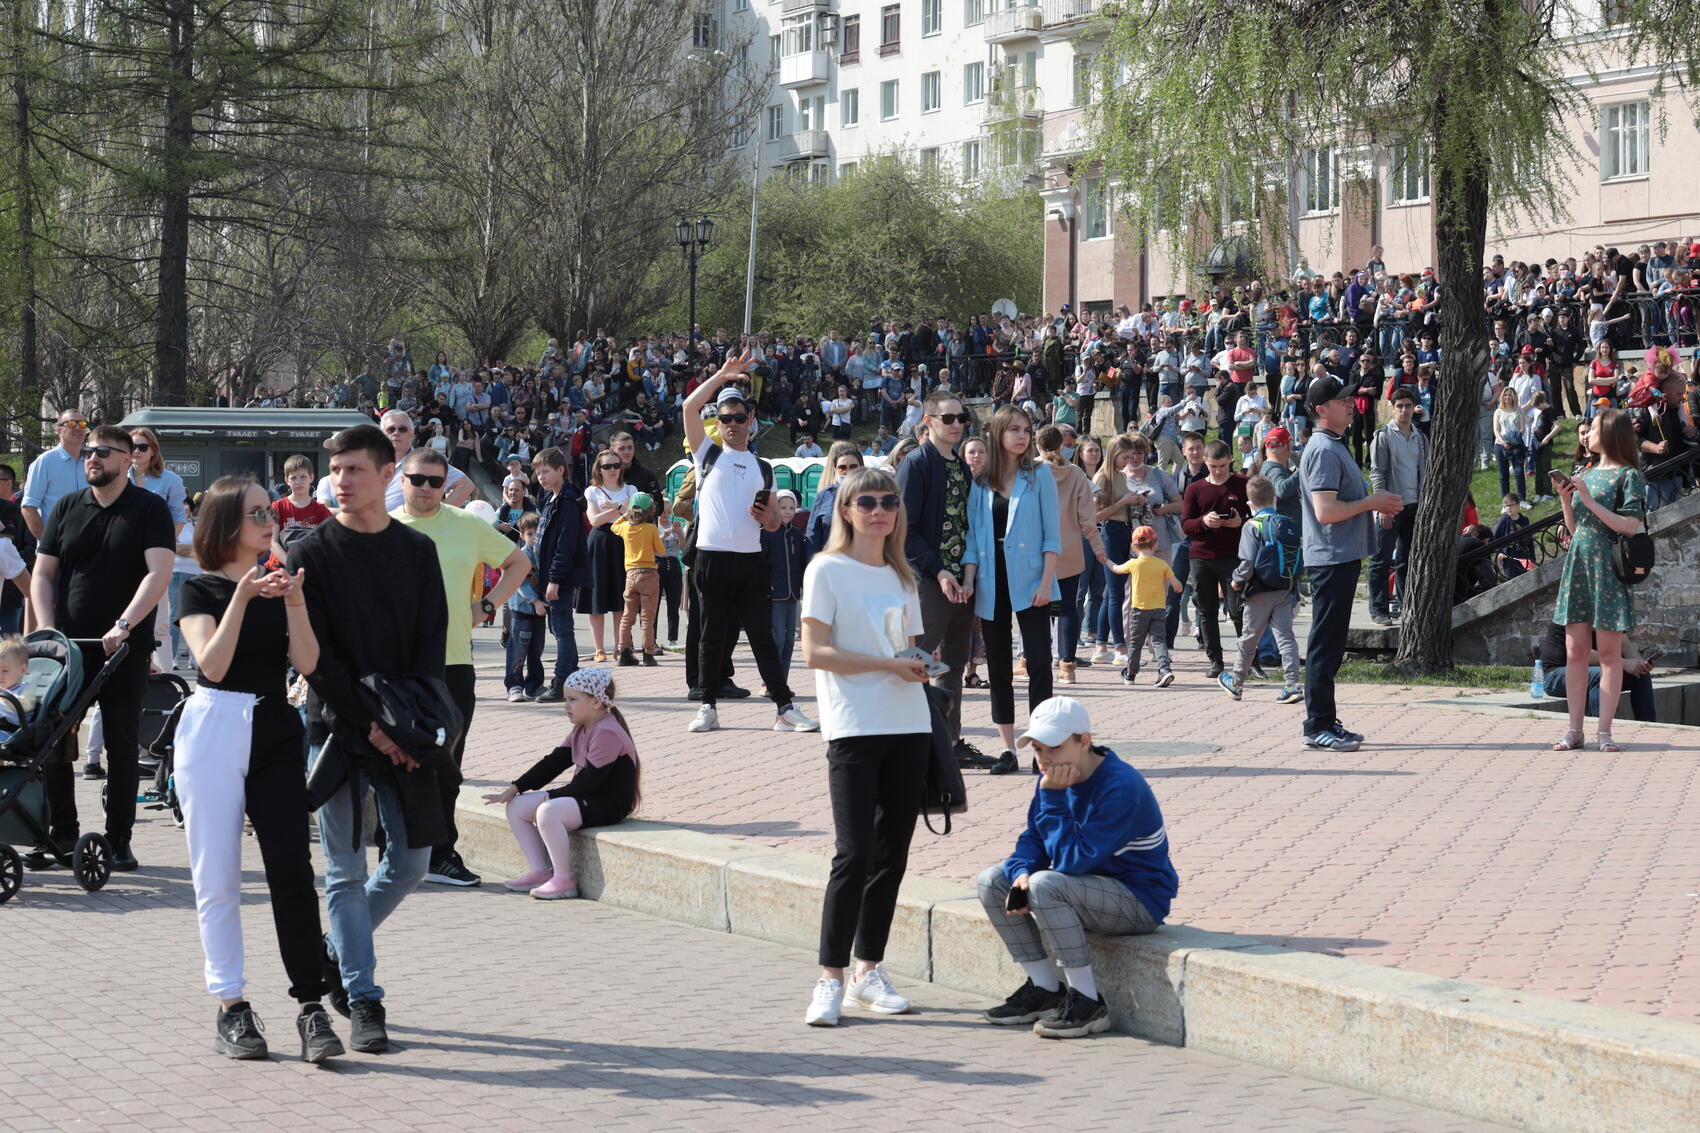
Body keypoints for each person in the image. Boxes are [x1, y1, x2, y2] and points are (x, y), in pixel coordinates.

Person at [288, 424, 450, 1055]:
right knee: (345, 873)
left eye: (354, 469)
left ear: (388, 474)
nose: (342, 480)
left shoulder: (416, 551)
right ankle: (363, 997)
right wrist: (373, 725)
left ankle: (336, 947)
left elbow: (430, 646)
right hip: (336, 730)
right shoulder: (310, 552)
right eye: (336, 469)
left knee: (411, 863)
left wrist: (407, 726)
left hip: (404, 732)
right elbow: (316, 661)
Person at [172, 476, 343, 1063]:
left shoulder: (279, 581)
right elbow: (213, 666)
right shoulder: (199, 590)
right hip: (213, 728)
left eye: (268, 511)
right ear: (225, 523)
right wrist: (242, 599)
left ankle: (311, 1005)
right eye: (255, 514)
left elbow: (308, 662)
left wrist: (292, 601)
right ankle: (232, 1006)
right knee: (217, 876)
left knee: (292, 871)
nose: (269, 521)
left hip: (273, 726)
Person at [798, 466, 932, 1027]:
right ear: (847, 510)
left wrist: (920, 666)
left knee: (891, 855)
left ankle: (867, 971)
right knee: (852, 854)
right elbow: (815, 653)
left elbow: (909, 650)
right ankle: (829, 978)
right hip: (853, 724)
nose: (879, 511)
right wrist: (888, 665)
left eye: (889, 502)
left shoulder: (903, 577)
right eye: (867, 502)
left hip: (909, 723)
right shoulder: (826, 569)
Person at [976, 696, 1177, 1039]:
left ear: (1084, 740)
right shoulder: (1054, 776)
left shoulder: (1120, 786)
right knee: (992, 880)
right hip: (1086, 889)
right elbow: (1034, 838)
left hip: (1139, 901)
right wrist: (1021, 872)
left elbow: (1073, 861)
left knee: (1045, 884)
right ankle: (1044, 988)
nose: (1044, 758)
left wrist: (1053, 798)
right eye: (1037, 749)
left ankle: (1088, 1001)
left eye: (1053, 747)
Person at [28, 426, 175, 873]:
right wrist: (47, 628)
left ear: (128, 459)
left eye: (103, 451)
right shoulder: (68, 506)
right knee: (54, 739)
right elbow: (43, 574)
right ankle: (62, 832)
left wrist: (124, 625)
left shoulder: (148, 508)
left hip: (123, 647)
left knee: (121, 742)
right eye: (89, 450)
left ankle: (118, 839)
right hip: (70, 649)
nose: (92, 457)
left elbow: (159, 573)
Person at [393, 446, 531, 888]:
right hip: (397, 666)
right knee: (399, 761)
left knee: (448, 765)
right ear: (402, 481)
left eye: (436, 481)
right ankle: (400, 848)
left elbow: (519, 562)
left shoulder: (467, 524)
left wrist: (487, 606)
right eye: (418, 479)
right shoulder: (382, 529)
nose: (426, 488)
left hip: (453, 661)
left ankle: (440, 853)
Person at [682, 353, 818, 734]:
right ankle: (707, 706)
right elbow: (689, 407)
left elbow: (774, 522)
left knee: (763, 637)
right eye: (725, 419)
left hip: (751, 560)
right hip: (712, 559)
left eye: (739, 419)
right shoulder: (706, 454)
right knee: (711, 635)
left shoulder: (763, 468)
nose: (732, 425)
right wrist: (721, 376)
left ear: (750, 421)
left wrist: (767, 519)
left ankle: (784, 708)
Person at [1298, 375, 1405, 752]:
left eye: (1350, 398)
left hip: (1339, 557)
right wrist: (1372, 502)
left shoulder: (1332, 445)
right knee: (1324, 645)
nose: (1350, 404)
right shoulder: (1323, 450)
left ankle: (1326, 719)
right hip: (1330, 559)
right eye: (1342, 399)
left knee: (1330, 644)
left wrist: (1373, 505)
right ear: (1321, 409)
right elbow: (1325, 511)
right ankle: (1317, 726)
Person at [962, 405, 1060, 777]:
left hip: (1033, 578)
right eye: (1014, 429)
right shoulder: (981, 481)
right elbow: (973, 539)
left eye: (1026, 430)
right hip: (991, 579)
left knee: (1040, 663)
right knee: (999, 667)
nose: (1022, 436)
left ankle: (1041, 746)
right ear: (999, 433)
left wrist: (1047, 582)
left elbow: (1052, 535)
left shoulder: (1040, 475)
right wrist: (969, 580)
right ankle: (1007, 749)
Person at [484, 668, 641, 899]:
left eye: (572, 700)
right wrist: (516, 788)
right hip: (588, 797)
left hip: (608, 805)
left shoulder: (607, 732)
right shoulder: (582, 728)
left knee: (548, 811)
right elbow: (555, 762)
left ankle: (563, 880)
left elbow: (587, 784)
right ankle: (540, 872)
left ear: (596, 702)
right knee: (516, 806)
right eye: (566, 699)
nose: (566, 706)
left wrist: (548, 798)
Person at [895, 390, 989, 768]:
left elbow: (969, 526)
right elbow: (905, 528)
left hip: (962, 581)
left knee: (951, 664)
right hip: (929, 578)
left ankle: (949, 744)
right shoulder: (916, 463)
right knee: (916, 659)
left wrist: (967, 574)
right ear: (928, 421)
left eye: (961, 418)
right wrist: (939, 570)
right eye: (947, 418)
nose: (956, 424)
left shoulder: (961, 466)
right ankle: (902, 741)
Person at [1550, 408, 1647, 753]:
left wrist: (1588, 500)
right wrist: (1567, 501)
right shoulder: (1584, 472)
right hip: (1579, 564)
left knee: (1608, 652)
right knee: (1575, 651)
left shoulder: (1629, 475)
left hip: (1608, 567)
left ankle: (1604, 732)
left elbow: (1631, 526)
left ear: (1608, 433)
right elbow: (1576, 530)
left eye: (1592, 428)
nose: (1587, 434)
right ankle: (1574, 730)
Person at [1220, 476, 1304, 703]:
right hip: (1284, 588)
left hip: (1259, 591)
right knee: (1285, 637)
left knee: (1249, 637)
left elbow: (1247, 562)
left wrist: (1237, 579)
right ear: (1275, 499)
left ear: (1249, 503)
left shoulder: (1252, 526)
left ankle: (1236, 682)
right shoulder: (1286, 522)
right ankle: (1292, 685)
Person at [1037, 426, 1107, 685]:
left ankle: (1032, 660)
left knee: (1036, 609)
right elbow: (1088, 519)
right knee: (1067, 607)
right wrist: (1098, 548)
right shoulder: (1076, 473)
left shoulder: (1030, 470)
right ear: (1062, 446)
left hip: (1036, 550)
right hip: (1069, 549)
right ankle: (1068, 665)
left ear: (1037, 446)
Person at [1179, 440, 1250, 678]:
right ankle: (1215, 661)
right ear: (1205, 462)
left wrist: (1240, 522)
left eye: (1222, 466)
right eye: (1213, 466)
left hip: (1233, 556)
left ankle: (1249, 660)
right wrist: (1204, 521)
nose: (1218, 471)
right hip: (1202, 556)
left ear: (1230, 460)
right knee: (1207, 610)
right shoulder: (1195, 489)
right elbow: (1185, 524)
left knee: (1238, 609)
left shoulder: (1243, 484)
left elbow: (1257, 517)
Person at [1366, 387, 1428, 625]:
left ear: (1414, 408)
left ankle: (1405, 606)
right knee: (1381, 560)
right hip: (1390, 507)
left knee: (1407, 560)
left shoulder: (1420, 438)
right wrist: (1382, 506)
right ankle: (1378, 609)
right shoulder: (1383, 436)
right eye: (1399, 406)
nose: (1404, 410)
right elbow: (1377, 472)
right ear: (1392, 408)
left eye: (1408, 406)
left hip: (1414, 506)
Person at [532, 447, 587, 702]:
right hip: (549, 576)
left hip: (560, 577)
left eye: (545, 471)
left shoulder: (566, 502)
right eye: (538, 473)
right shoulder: (551, 498)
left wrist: (554, 579)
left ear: (561, 470)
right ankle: (572, 677)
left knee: (562, 630)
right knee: (559, 629)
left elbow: (565, 545)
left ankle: (562, 681)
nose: (540, 477)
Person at [1538, 619, 1657, 723]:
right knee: (1600, 675)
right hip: (1555, 675)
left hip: (1589, 672)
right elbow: (1581, 653)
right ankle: (1601, 727)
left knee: (1640, 675)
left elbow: (1626, 646)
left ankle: (1648, 725)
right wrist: (1624, 663)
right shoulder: (1574, 613)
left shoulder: (1609, 611)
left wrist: (1641, 664)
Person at [579, 449, 637, 662]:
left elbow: (636, 516)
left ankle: (620, 647)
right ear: (599, 469)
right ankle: (599, 649)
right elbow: (595, 520)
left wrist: (615, 507)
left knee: (621, 598)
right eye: (606, 466)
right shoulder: (592, 491)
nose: (612, 469)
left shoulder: (631, 489)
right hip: (600, 542)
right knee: (597, 598)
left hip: (624, 541)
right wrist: (621, 508)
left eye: (616, 465)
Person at [1108, 526, 1179, 687]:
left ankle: (1130, 674)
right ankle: (1164, 669)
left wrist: (1106, 560)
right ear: (1156, 544)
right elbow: (1176, 584)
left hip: (1139, 611)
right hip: (1158, 610)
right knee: (1159, 641)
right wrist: (1177, 587)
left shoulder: (1133, 564)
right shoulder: (1161, 564)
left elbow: (1116, 569)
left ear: (1134, 547)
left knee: (1135, 644)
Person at [611, 492, 665, 666]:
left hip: (630, 575)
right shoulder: (651, 529)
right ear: (650, 511)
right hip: (649, 574)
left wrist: (625, 515)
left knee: (627, 617)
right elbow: (661, 551)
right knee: (647, 618)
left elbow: (613, 527)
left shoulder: (625, 527)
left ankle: (624, 653)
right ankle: (648, 654)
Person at [20, 408, 89, 540]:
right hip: (57, 545)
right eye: (71, 424)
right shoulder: (45, 462)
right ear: (58, 430)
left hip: (88, 545)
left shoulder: (91, 462)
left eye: (82, 424)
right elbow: (29, 508)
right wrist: (48, 543)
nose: (78, 428)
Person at [762, 489, 809, 685]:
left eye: (791, 507)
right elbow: (761, 565)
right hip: (775, 594)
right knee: (778, 639)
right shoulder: (767, 534)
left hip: (793, 594)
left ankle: (782, 682)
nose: (788, 511)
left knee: (790, 641)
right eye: (783, 507)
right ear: (775, 508)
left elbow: (802, 564)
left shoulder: (797, 535)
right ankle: (769, 682)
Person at [504, 513, 548, 701]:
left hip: (540, 610)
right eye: (530, 534)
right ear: (522, 535)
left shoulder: (543, 554)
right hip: (522, 609)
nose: (534, 537)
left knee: (536, 648)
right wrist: (535, 601)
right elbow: (521, 582)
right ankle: (514, 685)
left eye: (537, 533)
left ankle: (534, 685)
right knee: (519, 648)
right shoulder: (521, 555)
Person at [806, 443, 862, 553]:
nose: (848, 472)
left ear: (861, 468)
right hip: (831, 559)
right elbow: (813, 536)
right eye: (842, 468)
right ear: (835, 469)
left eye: (853, 467)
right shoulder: (823, 496)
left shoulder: (873, 495)